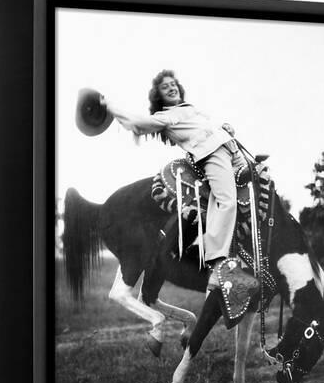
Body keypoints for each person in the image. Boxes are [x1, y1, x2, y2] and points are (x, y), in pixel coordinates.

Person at [102, 69, 242, 290]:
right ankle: (217, 267)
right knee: (227, 202)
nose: (172, 87)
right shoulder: (166, 116)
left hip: (232, 152)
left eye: (173, 83)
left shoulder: (191, 110)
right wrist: (109, 106)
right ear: (160, 97)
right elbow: (135, 123)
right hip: (212, 154)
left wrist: (224, 130)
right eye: (165, 87)